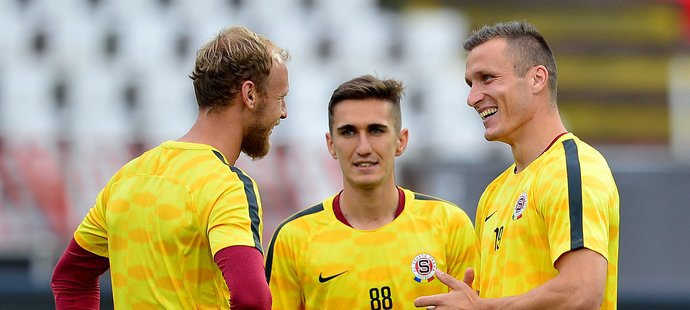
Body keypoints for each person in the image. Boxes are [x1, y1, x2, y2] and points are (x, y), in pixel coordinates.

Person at [50, 26, 290, 309]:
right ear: (249, 94)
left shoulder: (128, 177)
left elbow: (70, 277)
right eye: (280, 98)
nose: (284, 112)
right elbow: (252, 299)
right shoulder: (226, 186)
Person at [414, 21, 620, 310]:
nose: (472, 98)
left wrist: (482, 308)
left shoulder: (574, 168)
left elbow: (582, 292)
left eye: (487, 78)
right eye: (470, 84)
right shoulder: (494, 193)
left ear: (537, 79)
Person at [265, 75, 479, 309]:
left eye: (376, 131)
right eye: (348, 132)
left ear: (401, 141)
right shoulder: (294, 238)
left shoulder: (449, 224)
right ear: (330, 144)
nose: (363, 148)